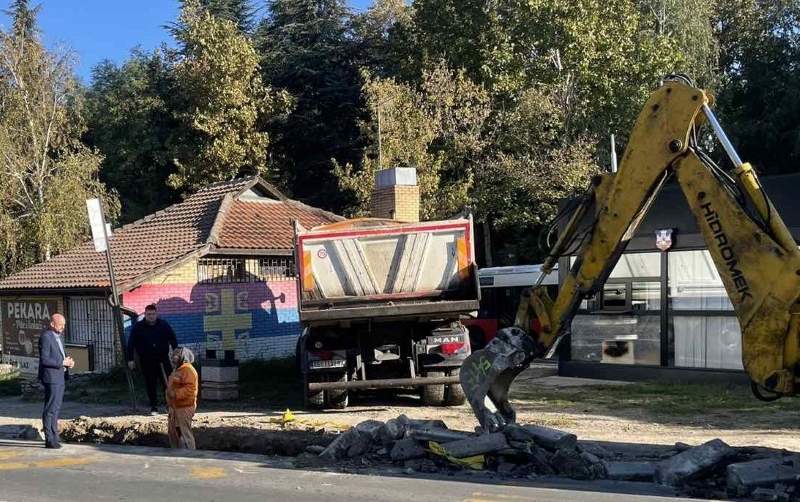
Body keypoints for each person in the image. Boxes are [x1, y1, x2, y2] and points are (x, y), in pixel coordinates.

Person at [126, 304, 178, 414]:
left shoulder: (163, 325)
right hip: (147, 360)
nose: (151, 316)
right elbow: (131, 343)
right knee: (151, 384)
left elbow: (173, 339)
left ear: (156, 314)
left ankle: (169, 405)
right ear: (145, 314)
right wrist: (130, 359)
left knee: (167, 383)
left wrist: (175, 354)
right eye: (149, 314)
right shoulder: (138, 327)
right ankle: (154, 407)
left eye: (153, 314)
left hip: (163, 359)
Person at [38, 313, 74, 449]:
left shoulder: (59, 337)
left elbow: (61, 355)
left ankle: (55, 436)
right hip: (51, 377)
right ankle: (49, 438)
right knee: (50, 408)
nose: (63, 328)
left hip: (60, 376)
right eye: (60, 325)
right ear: (52, 324)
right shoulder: (46, 337)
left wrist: (68, 362)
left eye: (64, 325)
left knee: (56, 408)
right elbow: (45, 359)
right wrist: (62, 362)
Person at [165, 347, 198, 449]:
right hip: (174, 407)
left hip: (184, 407)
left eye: (177, 355)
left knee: (184, 432)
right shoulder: (177, 370)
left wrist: (175, 394)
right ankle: (176, 452)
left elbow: (190, 389)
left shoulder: (188, 370)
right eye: (174, 354)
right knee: (173, 432)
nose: (174, 356)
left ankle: (190, 454)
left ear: (184, 357)